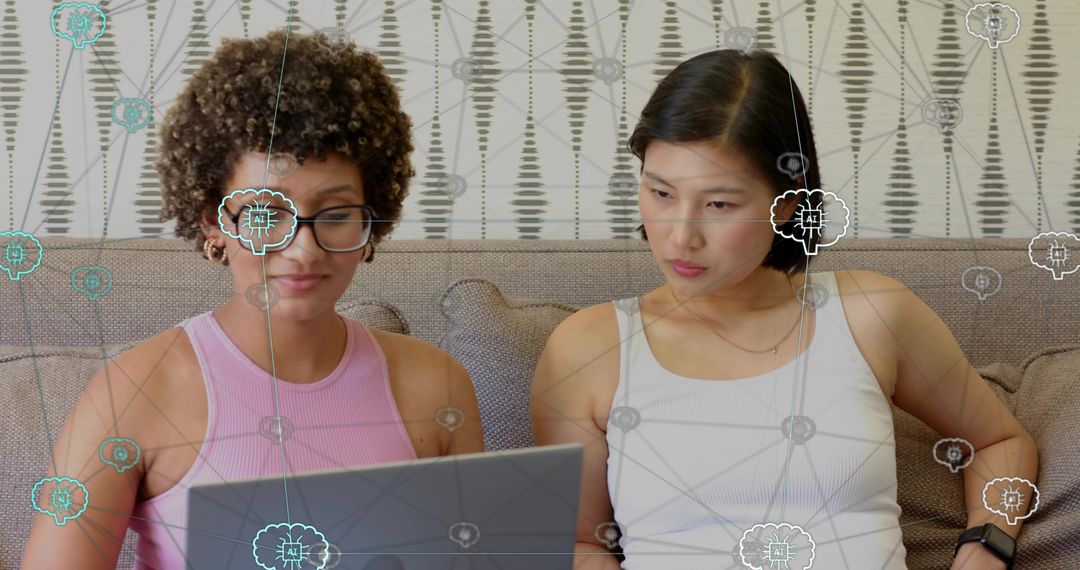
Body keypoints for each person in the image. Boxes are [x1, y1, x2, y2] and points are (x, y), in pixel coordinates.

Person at [530, 49, 1038, 569]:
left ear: (788, 203)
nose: (681, 237)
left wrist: (984, 550)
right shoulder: (589, 349)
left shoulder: (871, 314)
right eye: (661, 192)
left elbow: (1001, 441)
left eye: (719, 204)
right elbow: (579, 544)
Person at [22, 29, 483, 569]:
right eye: (266, 214)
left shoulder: (437, 384)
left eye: (336, 215)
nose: (304, 250)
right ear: (211, 223)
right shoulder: (132, 393)